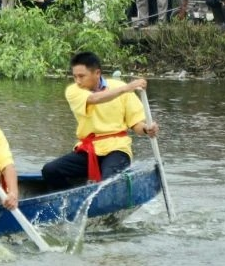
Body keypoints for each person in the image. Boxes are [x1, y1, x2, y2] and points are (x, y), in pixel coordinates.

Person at [41, 52, 158, 191]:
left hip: (117, 149)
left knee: (108, 182)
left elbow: (135, 124)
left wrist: (146, 129)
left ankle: (99, 194)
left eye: (81, 76)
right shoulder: (73, 91)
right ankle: (70, 198)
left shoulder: (119, 87)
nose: (78, 81)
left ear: (97, 73)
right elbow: (95, 98)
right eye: (75, 76)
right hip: (88, 150)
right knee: (50, 170)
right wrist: (127, 88)